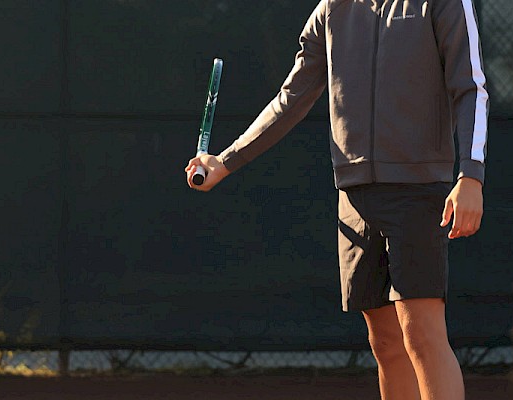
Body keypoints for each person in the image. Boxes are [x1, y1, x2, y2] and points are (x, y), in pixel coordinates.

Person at [183, 0, 488, 398]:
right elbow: (291, 97)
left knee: (422, 335)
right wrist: (224, 162)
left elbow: (470, 88)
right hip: (355, 196)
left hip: (417, 192)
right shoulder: (332, 9)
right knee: (384, 342)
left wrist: (471, 176)